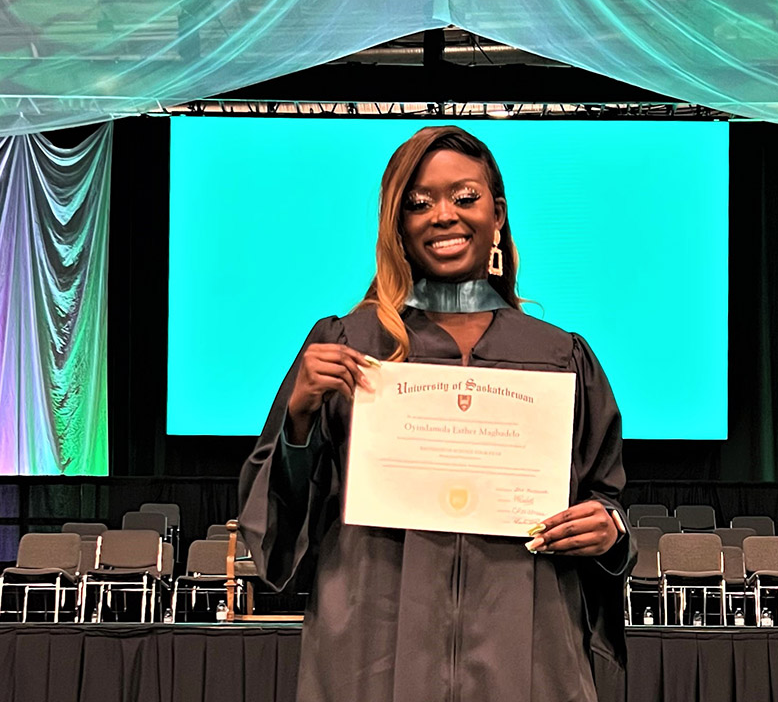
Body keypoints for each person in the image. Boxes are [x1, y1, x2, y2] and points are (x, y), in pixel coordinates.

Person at [239, 125, 636, 702]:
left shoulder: (558, 355)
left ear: (497, 214)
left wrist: (608, 528)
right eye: (418, 203)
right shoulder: (351, 344)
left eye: (464, 197)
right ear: (398, 225)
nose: (443, 215)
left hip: (523, 647)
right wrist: (298, 420)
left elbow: (606, 494)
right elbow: (277, 526)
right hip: (371, 647)